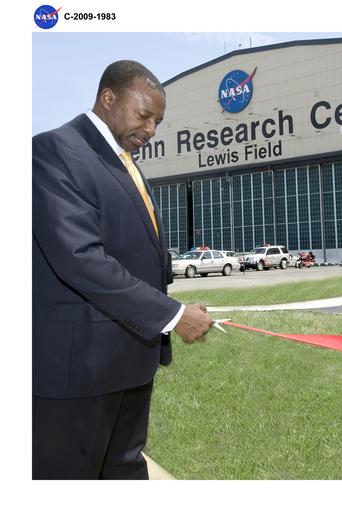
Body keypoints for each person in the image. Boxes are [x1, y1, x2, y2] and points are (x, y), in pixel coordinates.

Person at [32, 60, 214, 479]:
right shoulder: (53, 151)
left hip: (129, 363)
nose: (151, 129)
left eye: (158, 122)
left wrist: (172, 308)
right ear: (108, 98)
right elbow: (80, 258)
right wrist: (172, 316)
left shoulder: (125, 163)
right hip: (79, 373)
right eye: (144, 115)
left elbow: (137, 255)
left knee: (124, 474)